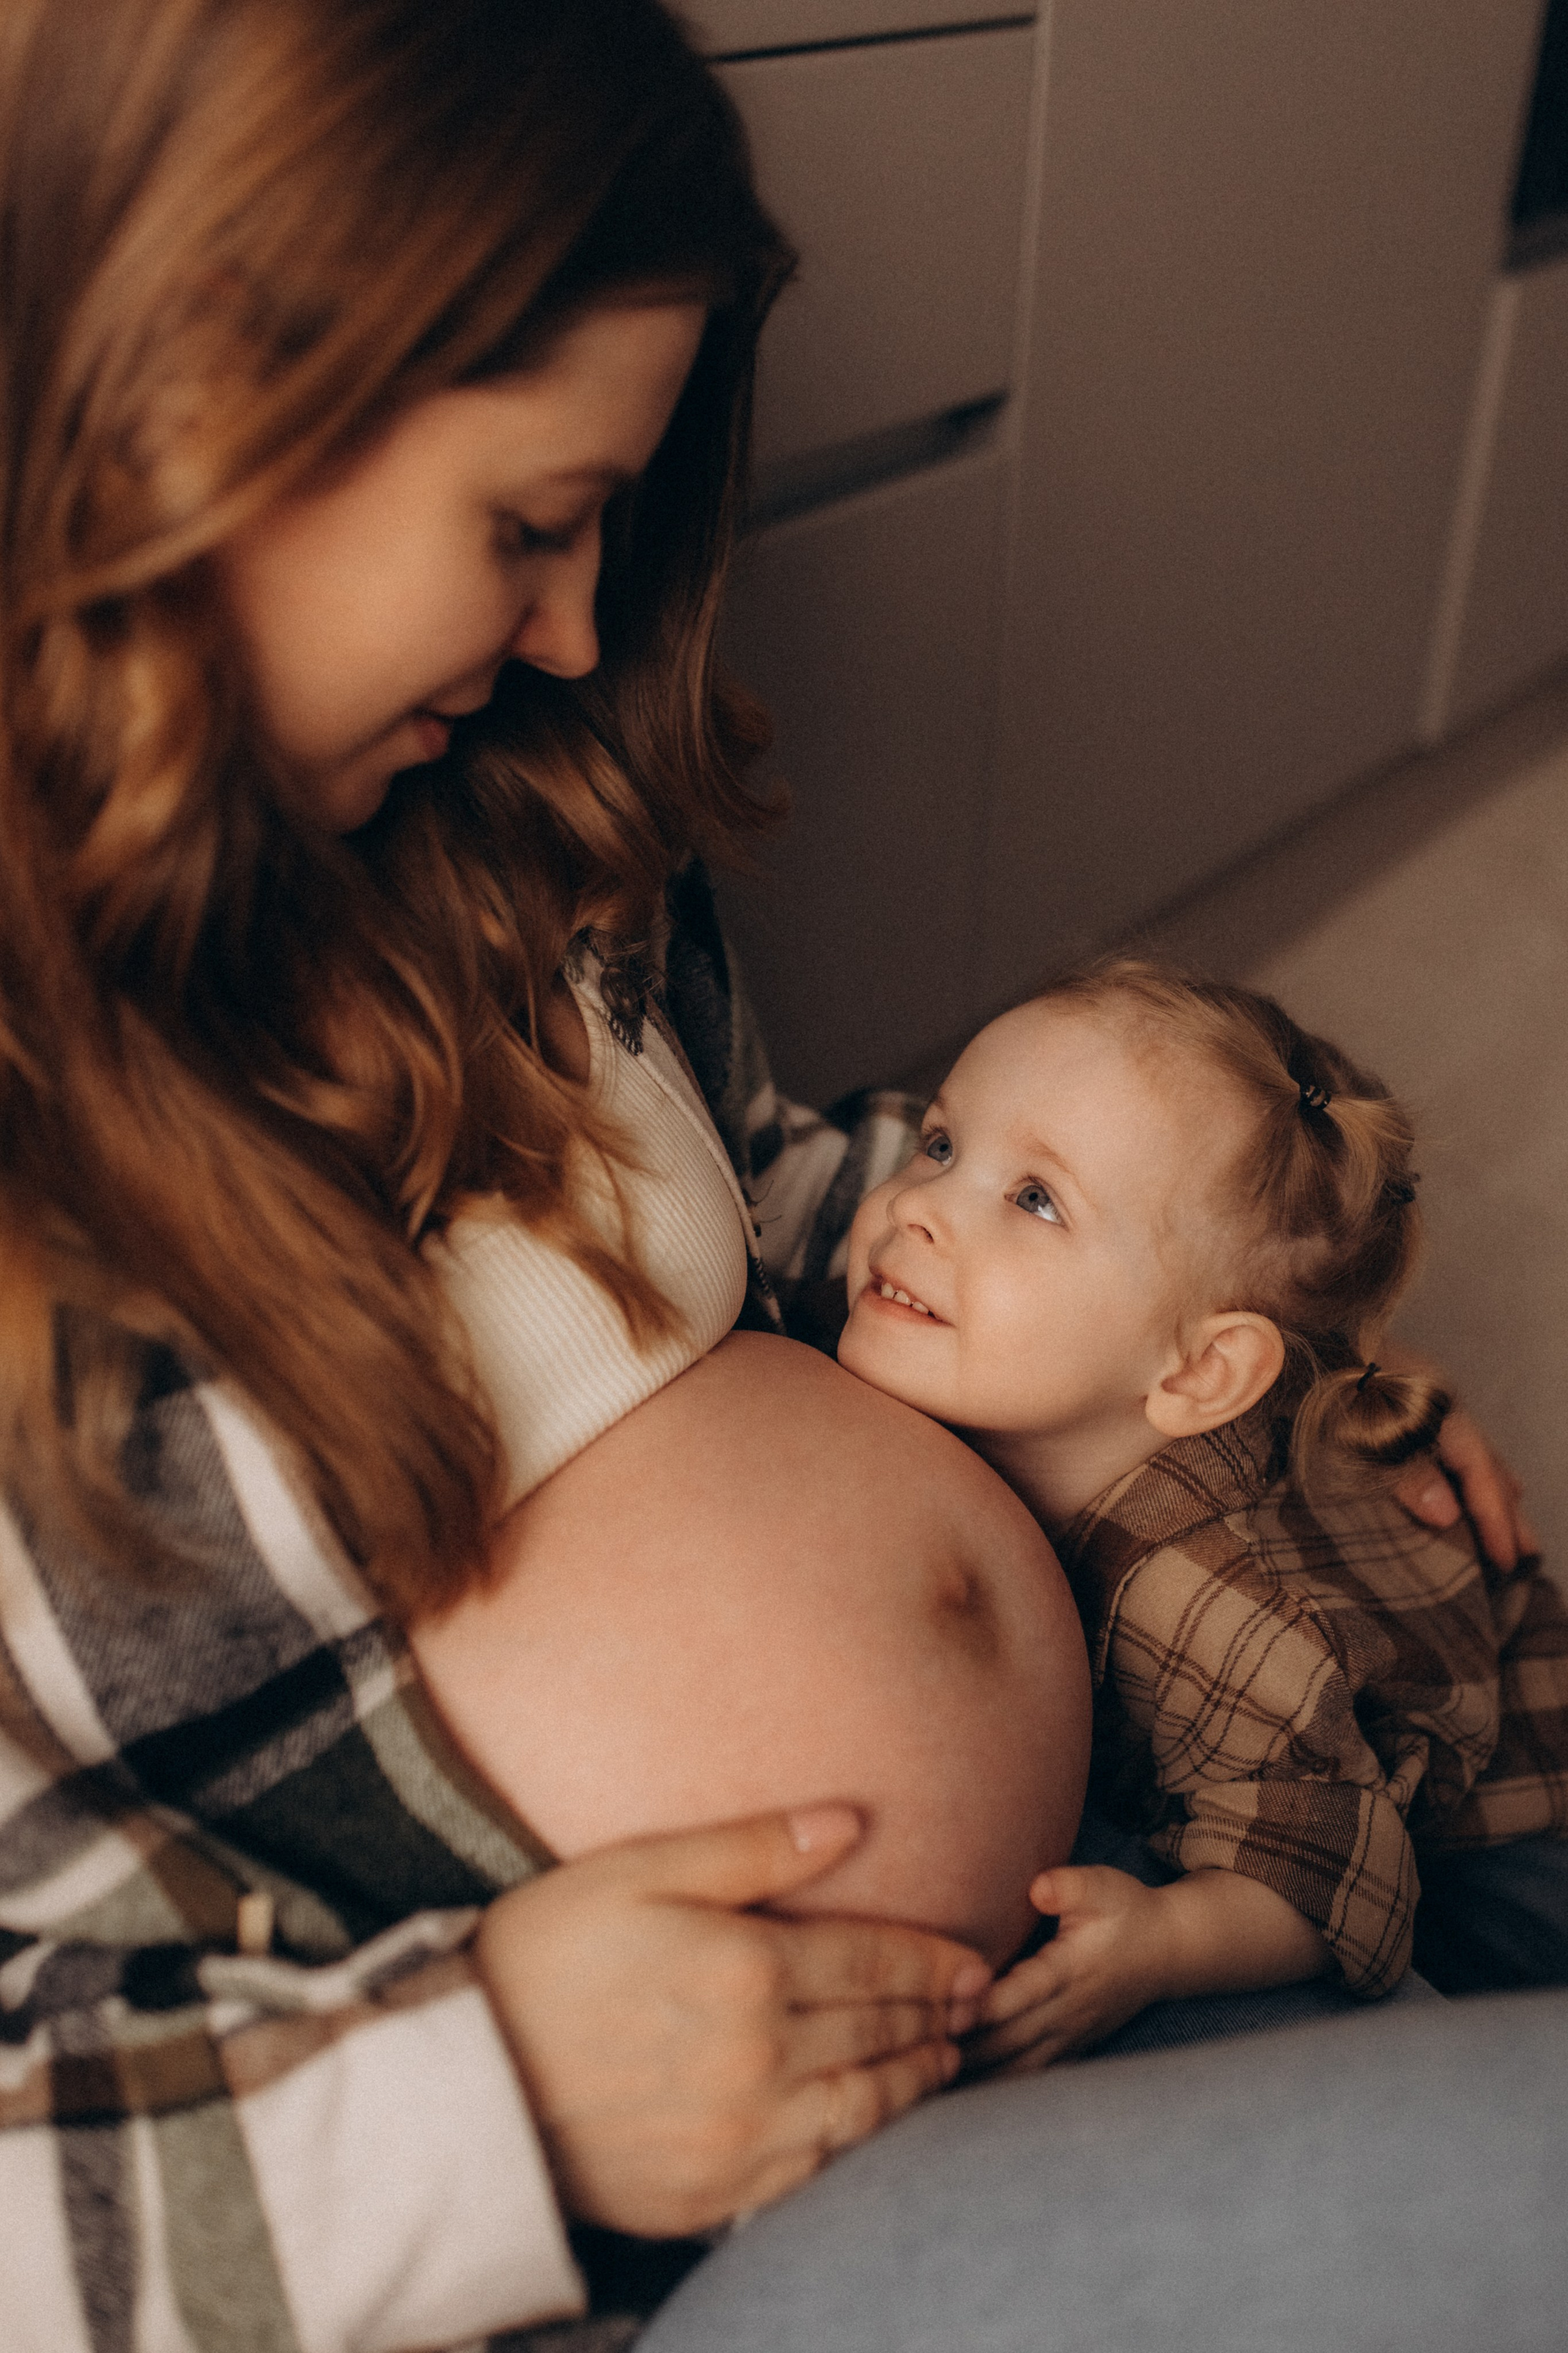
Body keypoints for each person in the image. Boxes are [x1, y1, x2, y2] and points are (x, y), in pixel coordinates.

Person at [2, 4, 1565, 2350]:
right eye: (530, 525)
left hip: (1095, 1872)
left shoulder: (499, 832)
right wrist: (493, 2103)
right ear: (195, 421)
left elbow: (758, 1193)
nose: (573, 630)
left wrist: (1198, 1347)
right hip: (692, 2221)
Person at [833, 959, 1568, 2067]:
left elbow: (1346, 1863)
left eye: (1035, 1199)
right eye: (942, 1144)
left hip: (1504, 1824)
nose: (916, 1207)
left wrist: (1165, 1941)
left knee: (1471, 2054)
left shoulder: (1202, 1602)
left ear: (1200, 1371)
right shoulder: (1068, 1384)